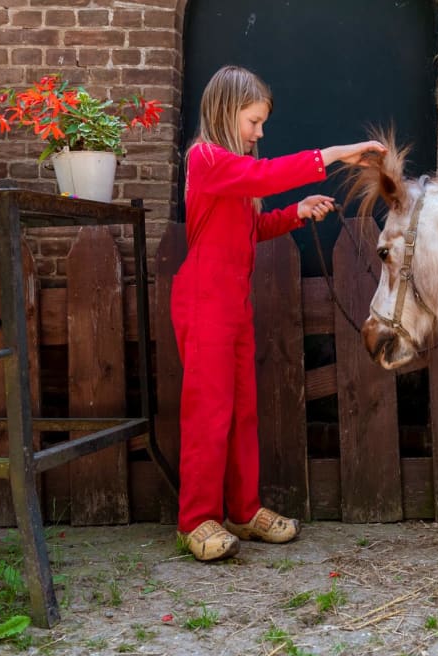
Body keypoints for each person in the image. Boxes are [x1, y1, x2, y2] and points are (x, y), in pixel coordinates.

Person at [171, 65, 386, 562]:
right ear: (226, 112)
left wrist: (294, 213)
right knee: (209, 413)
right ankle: (195, 521)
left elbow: (249, 229)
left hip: (232, 302)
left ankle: (243, 512)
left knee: (242, 412)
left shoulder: (232, 171)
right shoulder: (205, 158)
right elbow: (265, 175)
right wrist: (335, 153)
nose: (259, 132)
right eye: (254, 121)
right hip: (203, 300)